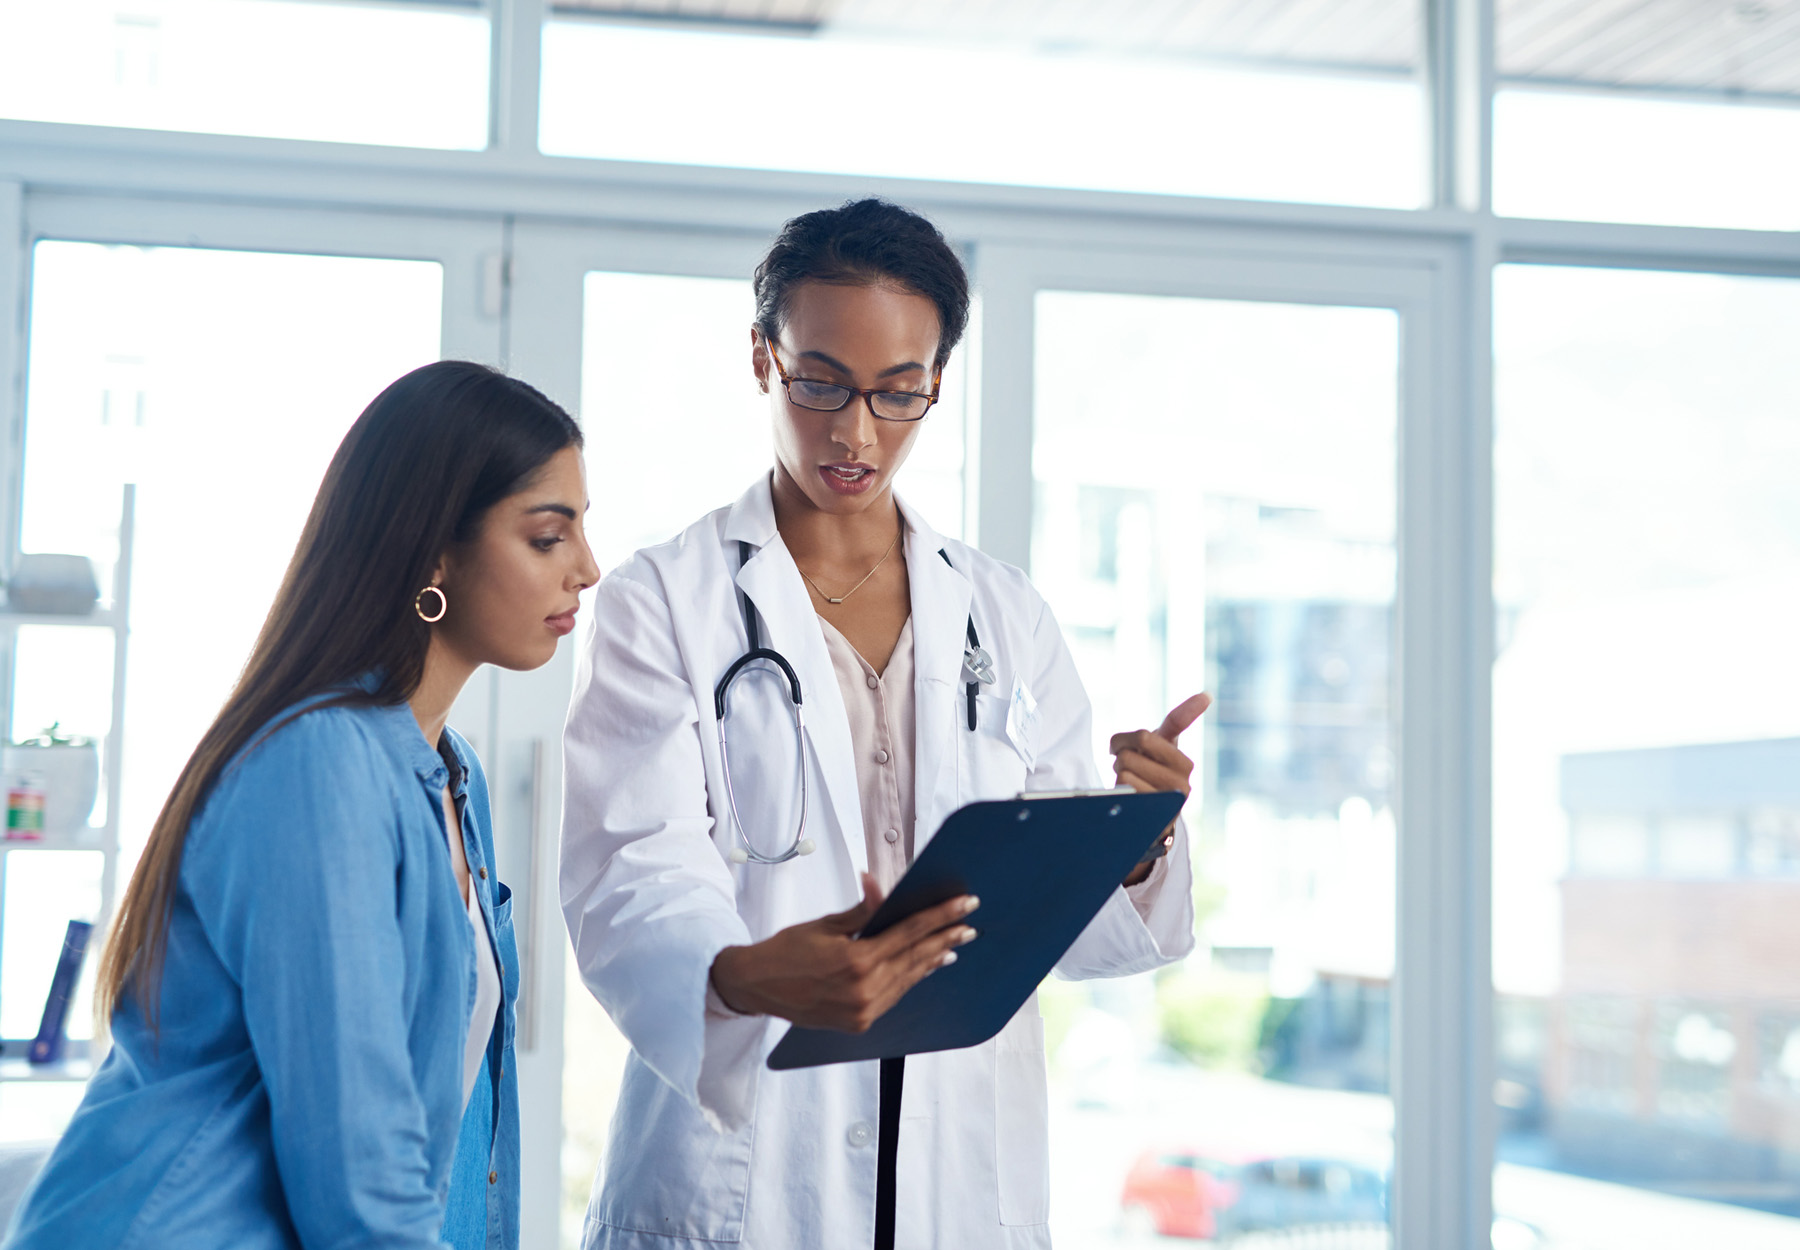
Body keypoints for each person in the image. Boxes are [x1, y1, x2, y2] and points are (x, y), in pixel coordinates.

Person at [560, 198, 1210, 1249]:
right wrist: (745, 969)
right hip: (746, 1168)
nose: (855, 431)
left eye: (898, 393)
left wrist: (1135, 838)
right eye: (821, 382)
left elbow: (1057, 920)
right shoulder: (663, 599)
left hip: (959, 1167)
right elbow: (630, 866)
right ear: (764, 360)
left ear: (937, 384)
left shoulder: (1003, 612)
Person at [4, 361, 599, 1250]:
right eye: (548, 539)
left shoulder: (450, 776)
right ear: (433, 552)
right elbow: (357, 1177)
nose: (586, 570)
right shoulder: (321, 765)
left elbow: (450, 1146)